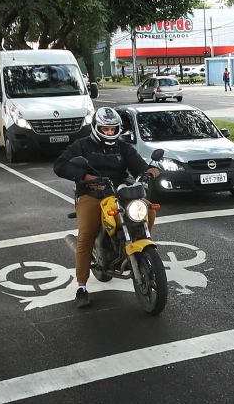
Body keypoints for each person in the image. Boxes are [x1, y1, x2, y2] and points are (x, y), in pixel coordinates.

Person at [53, 107, 160, 308]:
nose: (110, 133)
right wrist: (84, 176)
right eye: (106, 129)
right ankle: (81, 286)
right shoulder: (82, 146)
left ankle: (141, 243)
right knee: (86, 234)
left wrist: (148, 171)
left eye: (113, 129)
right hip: (91, 193)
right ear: (96, 127)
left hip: (119, 191)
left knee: (148, 209)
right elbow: (60, 165)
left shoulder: (123, 147)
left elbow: (138, 164)